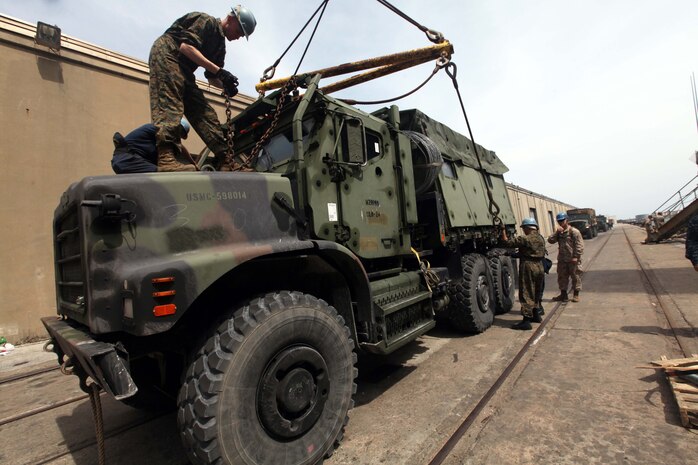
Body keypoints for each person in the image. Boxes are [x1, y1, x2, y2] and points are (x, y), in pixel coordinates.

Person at [148, 5, 256, 171]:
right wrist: (220, 72)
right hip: (168, 53)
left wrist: (225, 86)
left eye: (242, 35)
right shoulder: (206, 21)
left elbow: (212, 77)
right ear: (232, 19)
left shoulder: (220, 47)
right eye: (240, 31)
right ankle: (166, 158)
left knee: (204, 112)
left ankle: (226, 161)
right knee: (171, 104)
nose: (239, 36)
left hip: (184, 69)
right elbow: (186, 48)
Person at [499, 218, 546, 330]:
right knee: (536, 291)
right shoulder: (540, 238)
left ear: (527, 228)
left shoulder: (525, 238)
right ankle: (536, 315)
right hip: (539, 266)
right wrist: (514, 255)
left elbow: (507, 242)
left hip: (528, 266)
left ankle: (526, 321)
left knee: (526, 292)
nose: (523, 231)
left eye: (524, 228)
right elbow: (529, 251)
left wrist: (503, 230)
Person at [111, 119, 192, 173]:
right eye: (180, 133)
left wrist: (192, 161)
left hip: (130, 161)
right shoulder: (157, 128)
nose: (179, 137)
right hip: (128, 160)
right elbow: (178, 144)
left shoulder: (164, 138)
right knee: (164, 172)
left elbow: (180, 146)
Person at [548, 212, 584, 302]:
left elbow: (579, 245)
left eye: (562, 221)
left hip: (573, 259)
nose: (560, 223)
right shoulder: (559, 232)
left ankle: (576, 295)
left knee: (576, 277)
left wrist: (576, 256)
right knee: (562, 278)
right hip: (562, 259)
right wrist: (556, 232)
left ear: (566, 220)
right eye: (559, 221)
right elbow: (550, 240)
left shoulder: (574, 232)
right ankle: (563, 295)